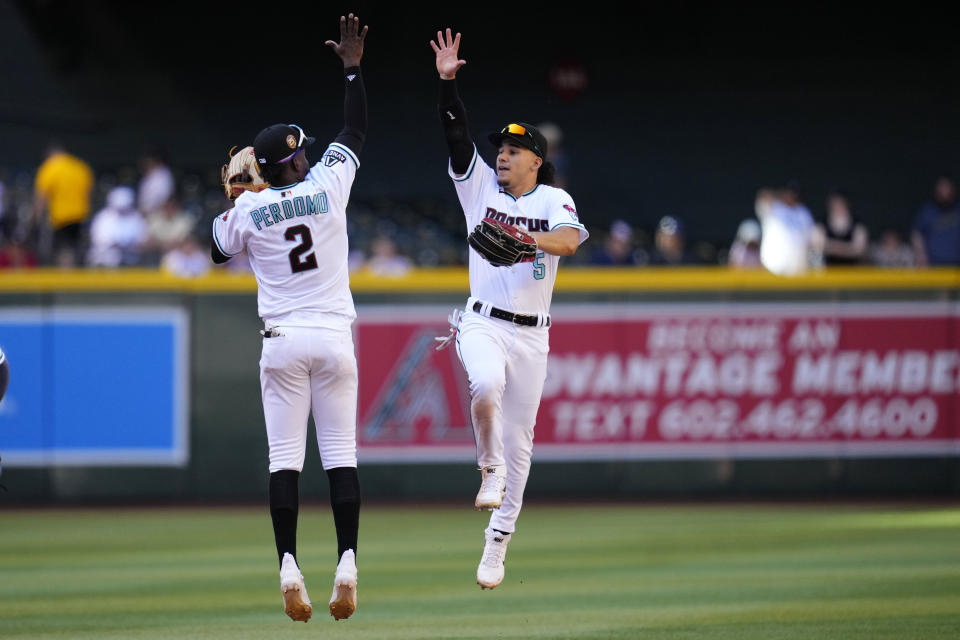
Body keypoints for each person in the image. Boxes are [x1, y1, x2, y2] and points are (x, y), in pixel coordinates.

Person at [210, 13, 368, 624]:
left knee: (285, 461)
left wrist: (237, 194)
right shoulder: (328, 183)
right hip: (333, 337)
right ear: (298, 159)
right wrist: (352, 69)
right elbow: (354, 127)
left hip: (281, 341)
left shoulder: (250, 210)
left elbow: (215, 249)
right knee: (341, 457)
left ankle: (288, 566)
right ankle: (348, 561)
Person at [431, 28, 589, 591]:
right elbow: (456, 138)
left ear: (536, 163)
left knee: (522, 446)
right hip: (481, 321)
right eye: (500, 146)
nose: (501, 153)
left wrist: (526, 242)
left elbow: (569, 242)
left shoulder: (552, 200)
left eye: (514, 149)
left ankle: (498, 542)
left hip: (534, 336)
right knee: (484, 388)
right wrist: (449, 85)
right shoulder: (479, 191)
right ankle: (486, 466)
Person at [33, 142, 94, 267]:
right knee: (77, 247)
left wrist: (36, 219)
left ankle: (66, 278)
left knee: (63, 250)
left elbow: (42, 196)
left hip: (61, 216)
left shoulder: (50, 168)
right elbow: (89, 191)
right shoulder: (80, 167)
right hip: (81, 214)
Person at [754, 181, 815, 276]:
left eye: (794, 193)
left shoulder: (803, 212)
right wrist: (779, 194)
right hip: (772, 269)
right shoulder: (774, 208)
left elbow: (810, 239)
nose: (791, 196)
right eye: (789, 192)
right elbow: (763, 196)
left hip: (797, 271)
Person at [86, 185, 149, 267]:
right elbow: (99, 240)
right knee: (111, 256)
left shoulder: (136, 218)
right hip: (106, 258)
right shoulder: (103, 217)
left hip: (130, 258)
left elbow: (143, 239)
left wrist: (130, 246)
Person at [911, 175, 960, 266]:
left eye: (947, 187)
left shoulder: (958, 209)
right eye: (941, 187)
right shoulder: (928, 211)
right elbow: (917, 234)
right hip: (934, 265)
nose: (944, 191)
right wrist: (920, 256)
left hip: (957, 264)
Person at [811, 189, 868, 265]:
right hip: (827, 272)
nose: (837, 206)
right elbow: (816, 247)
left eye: (840, 203)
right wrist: (847, 248)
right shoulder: (821, 223)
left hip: (853, 272)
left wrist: (832, 246)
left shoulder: (858, 225)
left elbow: (859, 250)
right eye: (834, 203)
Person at [137, 146, 175, 218]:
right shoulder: (150, 175)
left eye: (148, 160)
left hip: (157, 215)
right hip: (146, 214)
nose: (144, 163)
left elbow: (163, 199)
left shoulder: (163, 175)